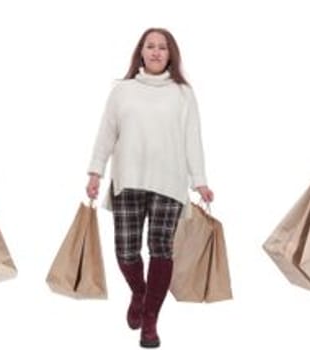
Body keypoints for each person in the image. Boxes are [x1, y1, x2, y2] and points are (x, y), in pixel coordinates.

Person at [86, 27, 215, 349]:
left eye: (163, 47)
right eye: (151, 46)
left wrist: (200, 180)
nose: (157, 52)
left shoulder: (183, 93)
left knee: (161, 249)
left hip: (169, 183)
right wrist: (95, 172)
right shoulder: (122, 91)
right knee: (126, 249)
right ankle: (140, 294)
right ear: (140, 52)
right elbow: (106, 133)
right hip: (127, 179)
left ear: (171, 54)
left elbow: (192, 139)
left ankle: (150, 321)